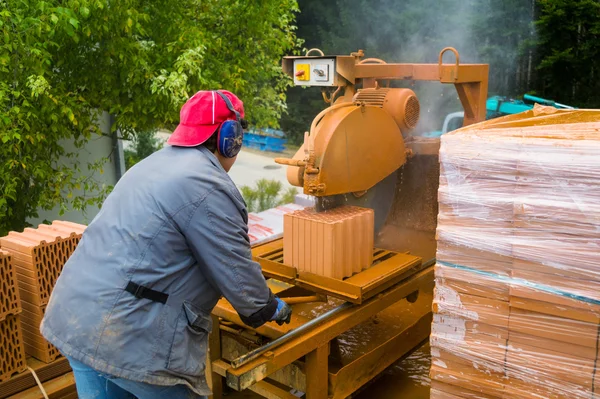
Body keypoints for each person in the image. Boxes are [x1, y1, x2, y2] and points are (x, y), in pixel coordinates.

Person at [40, 90, 292, 399]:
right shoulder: (208, 185)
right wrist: (269, 307)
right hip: (130, 337)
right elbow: (237, 273)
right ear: (231, 137)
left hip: (78, 318)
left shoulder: (153, 164)